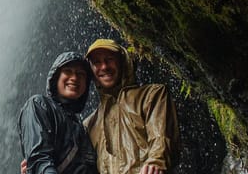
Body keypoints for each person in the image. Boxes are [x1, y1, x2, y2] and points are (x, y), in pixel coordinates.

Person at [22, 39, 180, 174]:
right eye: (97, 62)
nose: (104, 66)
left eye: (109, 59)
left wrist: (156, 161)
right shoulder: (88, 124)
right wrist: (35, 166)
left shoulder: (151, 95)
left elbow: (161, 137)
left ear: (122, 61)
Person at [18, 52, 98, 174]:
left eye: (80, 74)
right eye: (68, 71)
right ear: (56, 77)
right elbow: (39, 159)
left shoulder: (82, 128)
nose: (74, 78)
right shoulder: (39, 105)